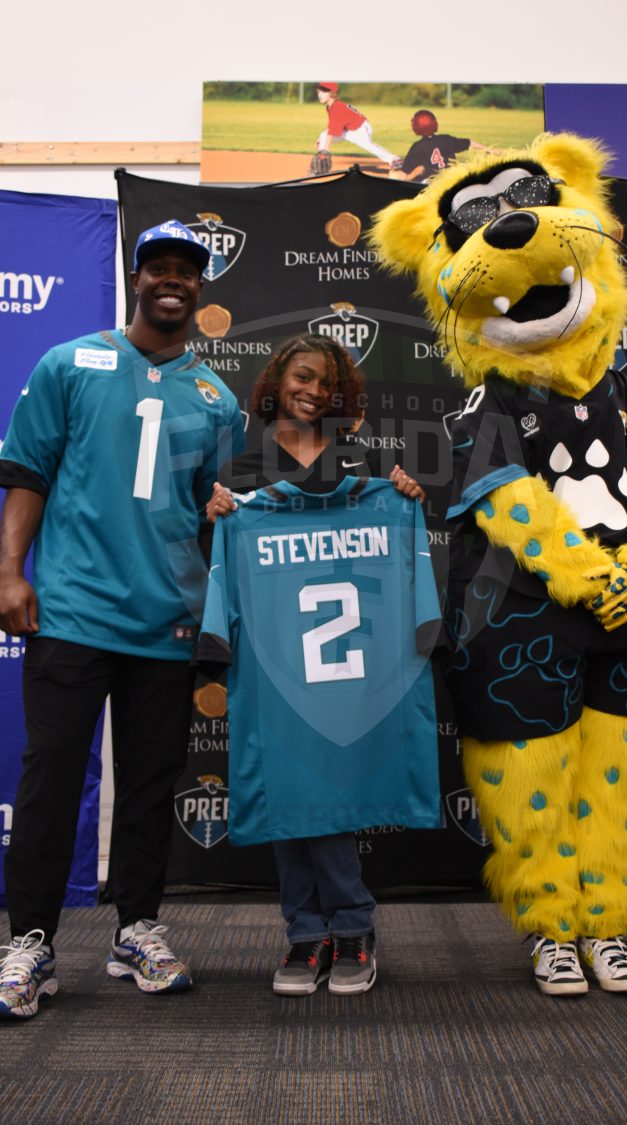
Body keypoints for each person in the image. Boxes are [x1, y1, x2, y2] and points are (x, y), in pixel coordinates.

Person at [0, 220, 245, 1021]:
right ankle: (30, 943)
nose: (173, 281)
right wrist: (7, 572)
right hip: (71, 610)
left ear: (201, 288)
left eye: (187, 272)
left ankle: (137, 928)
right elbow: (27, 472)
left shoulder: (217, 398)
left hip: (166, 621)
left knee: (149, 786)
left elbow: (216, 520)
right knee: (51, 777)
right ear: (137, 278)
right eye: (159, 268)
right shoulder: (71, 361)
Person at [204, 333, 435, 998]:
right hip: (275, 657)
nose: (313, 391)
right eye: (301, 377)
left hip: (350, 660)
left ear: (341, 397)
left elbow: (399, 542)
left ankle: (345, 927)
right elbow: (217, 553)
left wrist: (408, 497)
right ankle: (311, 932)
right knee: (288, 789)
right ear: (276, 381)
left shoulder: (362, 462)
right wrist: (214, 514)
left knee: (323, 787)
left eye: (327, 383)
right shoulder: (243, 469)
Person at [313, 83, 402, 173]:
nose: (319, 95)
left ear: (331, 93)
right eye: (318, 92)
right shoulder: (330, 106)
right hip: (348, 129)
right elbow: (331, 125)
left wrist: (325, 149)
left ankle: (394, 160)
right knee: (323, 136)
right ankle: (322, 166)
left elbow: (333, 130)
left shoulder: (337, 107)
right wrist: (321, 140)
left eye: (323, 92)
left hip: (360, 128)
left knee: (367, 145)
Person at [400, 110, 497, 183]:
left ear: (415, 126)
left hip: (431, 184)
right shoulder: (446, 139)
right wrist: (488, 149)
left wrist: (411, 176)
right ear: (434, 124)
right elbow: (469, 142)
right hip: (451, 180)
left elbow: (403, 176)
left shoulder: (417, 147)